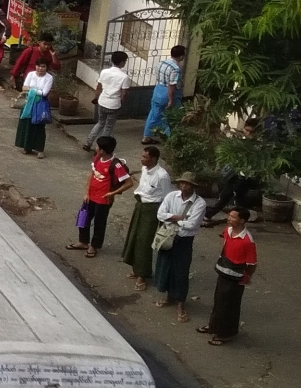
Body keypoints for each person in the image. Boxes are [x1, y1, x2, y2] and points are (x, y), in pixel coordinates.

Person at [152, 172, 205, 322]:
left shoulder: (199, 203)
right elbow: (160, 214)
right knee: (165, 266)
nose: (183, 186)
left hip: (184, 240)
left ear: (193, 186)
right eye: (182, 183)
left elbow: (192, 225)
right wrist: (179, 218)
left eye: (187, 184)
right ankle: (169, 296)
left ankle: (181, 303)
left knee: (181, 271)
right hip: (168, 236)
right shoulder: (171, 196)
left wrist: (173, 219)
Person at [68, 135, 131, 258]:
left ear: (102, 150)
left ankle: (94, 246)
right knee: (83, 217)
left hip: (103, 199)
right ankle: (83, 241)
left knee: (99, 223)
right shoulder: (97, 158)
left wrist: (112, 193)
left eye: (97, 146)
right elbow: (91, 175)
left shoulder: (116, 165)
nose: (96, 148)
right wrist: (87, 192)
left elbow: (129, 183)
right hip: (91, 196)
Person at [201, 207, 257, 345]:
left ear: (242, 220)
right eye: (229, 216)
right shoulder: (228, 230)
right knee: (219, 300)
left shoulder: (247, 241)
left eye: (233, 217)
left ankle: (225, 334)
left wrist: (247, 277)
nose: (229, 218)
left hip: (236, 277)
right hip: (224, 271)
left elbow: (252, 263)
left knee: (229, 306)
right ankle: (213, 326)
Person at [121, 146, 169, 289]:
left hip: (152, 209)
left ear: (153, 159)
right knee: (135, 236)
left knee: (145, 241)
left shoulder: (162, 176)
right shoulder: (144, 170)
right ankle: (136, 268)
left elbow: (166, 197)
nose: (141, 159)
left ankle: (143, 274)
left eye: (145, 157)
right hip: (141, 205)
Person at [86, 50, 132, 152]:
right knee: (108, 127)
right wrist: (122, 102)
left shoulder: (104, 72)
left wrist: (97, 97)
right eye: (125, 61)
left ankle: (88, 142)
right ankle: (102, 148)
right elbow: (124, 93)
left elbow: (99, 86)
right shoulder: (124, 77)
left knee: (100, 123)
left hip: (102, 101)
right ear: (122, 62)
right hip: (114, 105)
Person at [145, 44, 186, 144]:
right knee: (172, 115)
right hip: (168, 93)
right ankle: (171, 137)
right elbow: (171, 86)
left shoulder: (162, 62)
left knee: (154, 114)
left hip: (158, 89)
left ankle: (146, 136)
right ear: (181, 56)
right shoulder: (175, 69)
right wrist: (171, 100)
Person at [15, 57, 56, 156]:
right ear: (35, 66)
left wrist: (32, 89)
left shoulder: (49, 78)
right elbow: (25, 88)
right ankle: (26, 147)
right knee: (26, 125)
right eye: (39, 66)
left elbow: (44, 93)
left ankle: (40, 150)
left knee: (39, 126)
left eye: (43, 67)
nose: (40, 69)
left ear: (46, 68)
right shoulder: (31, 74)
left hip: (40, 105)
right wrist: (34, 90)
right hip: (28, 103)